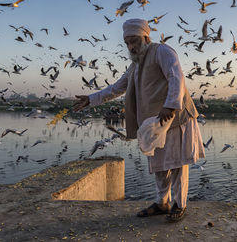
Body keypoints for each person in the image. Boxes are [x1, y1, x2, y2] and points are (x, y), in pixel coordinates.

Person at [73, 18, 205, 222]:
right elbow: (116, 88)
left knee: (178, 164)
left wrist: (170, 105)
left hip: (176, 118)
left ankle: (180, 204)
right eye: (127, 43)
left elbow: (175, 76)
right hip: (155, 124)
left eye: (134, 41)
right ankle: (162, 203)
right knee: (159, 165)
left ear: (145, 37)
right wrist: (91, 99)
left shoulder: (162, 51)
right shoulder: (135, 65)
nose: (131, 46)